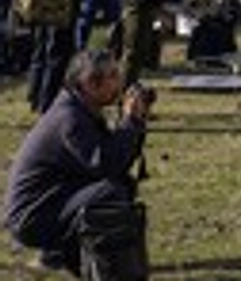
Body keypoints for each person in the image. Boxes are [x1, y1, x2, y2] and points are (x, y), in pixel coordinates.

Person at [4, 50, 151, 276]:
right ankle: (75, 256)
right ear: (91, 83)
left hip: (50, 200)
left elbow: (114, 161)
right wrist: (130, 122)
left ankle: (75, 254)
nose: (120, 82)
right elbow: (108, 164)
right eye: (112, 76)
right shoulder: (71, 119)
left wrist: (135, 122)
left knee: (121, 185)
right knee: (110, 192)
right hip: (31, 216)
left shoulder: (80, 108)